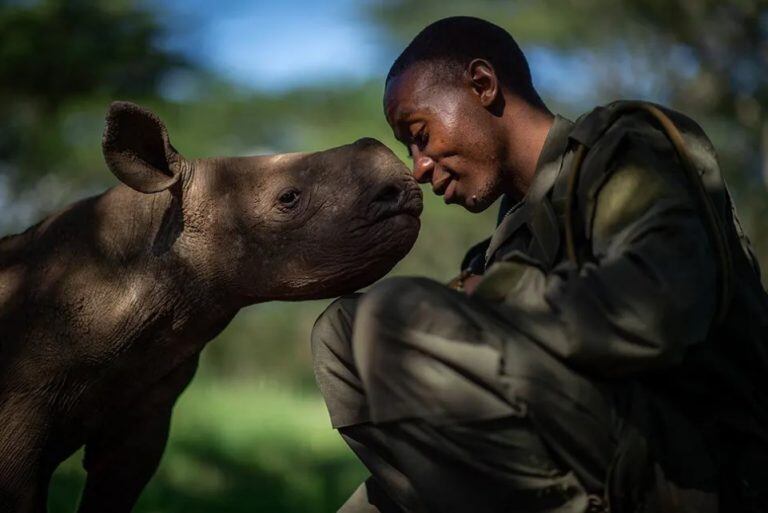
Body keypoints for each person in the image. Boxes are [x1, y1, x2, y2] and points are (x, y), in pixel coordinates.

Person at [311, 16, 768, 513]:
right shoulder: (498, 246)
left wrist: (491, 297)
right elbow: (424, 463)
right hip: (583, 459)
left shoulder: (628, 146)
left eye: (419, 134)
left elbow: (659, 309)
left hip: (693, 470)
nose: (418, 168)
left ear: (482, 85)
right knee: (339, 330)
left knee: (394, 314)